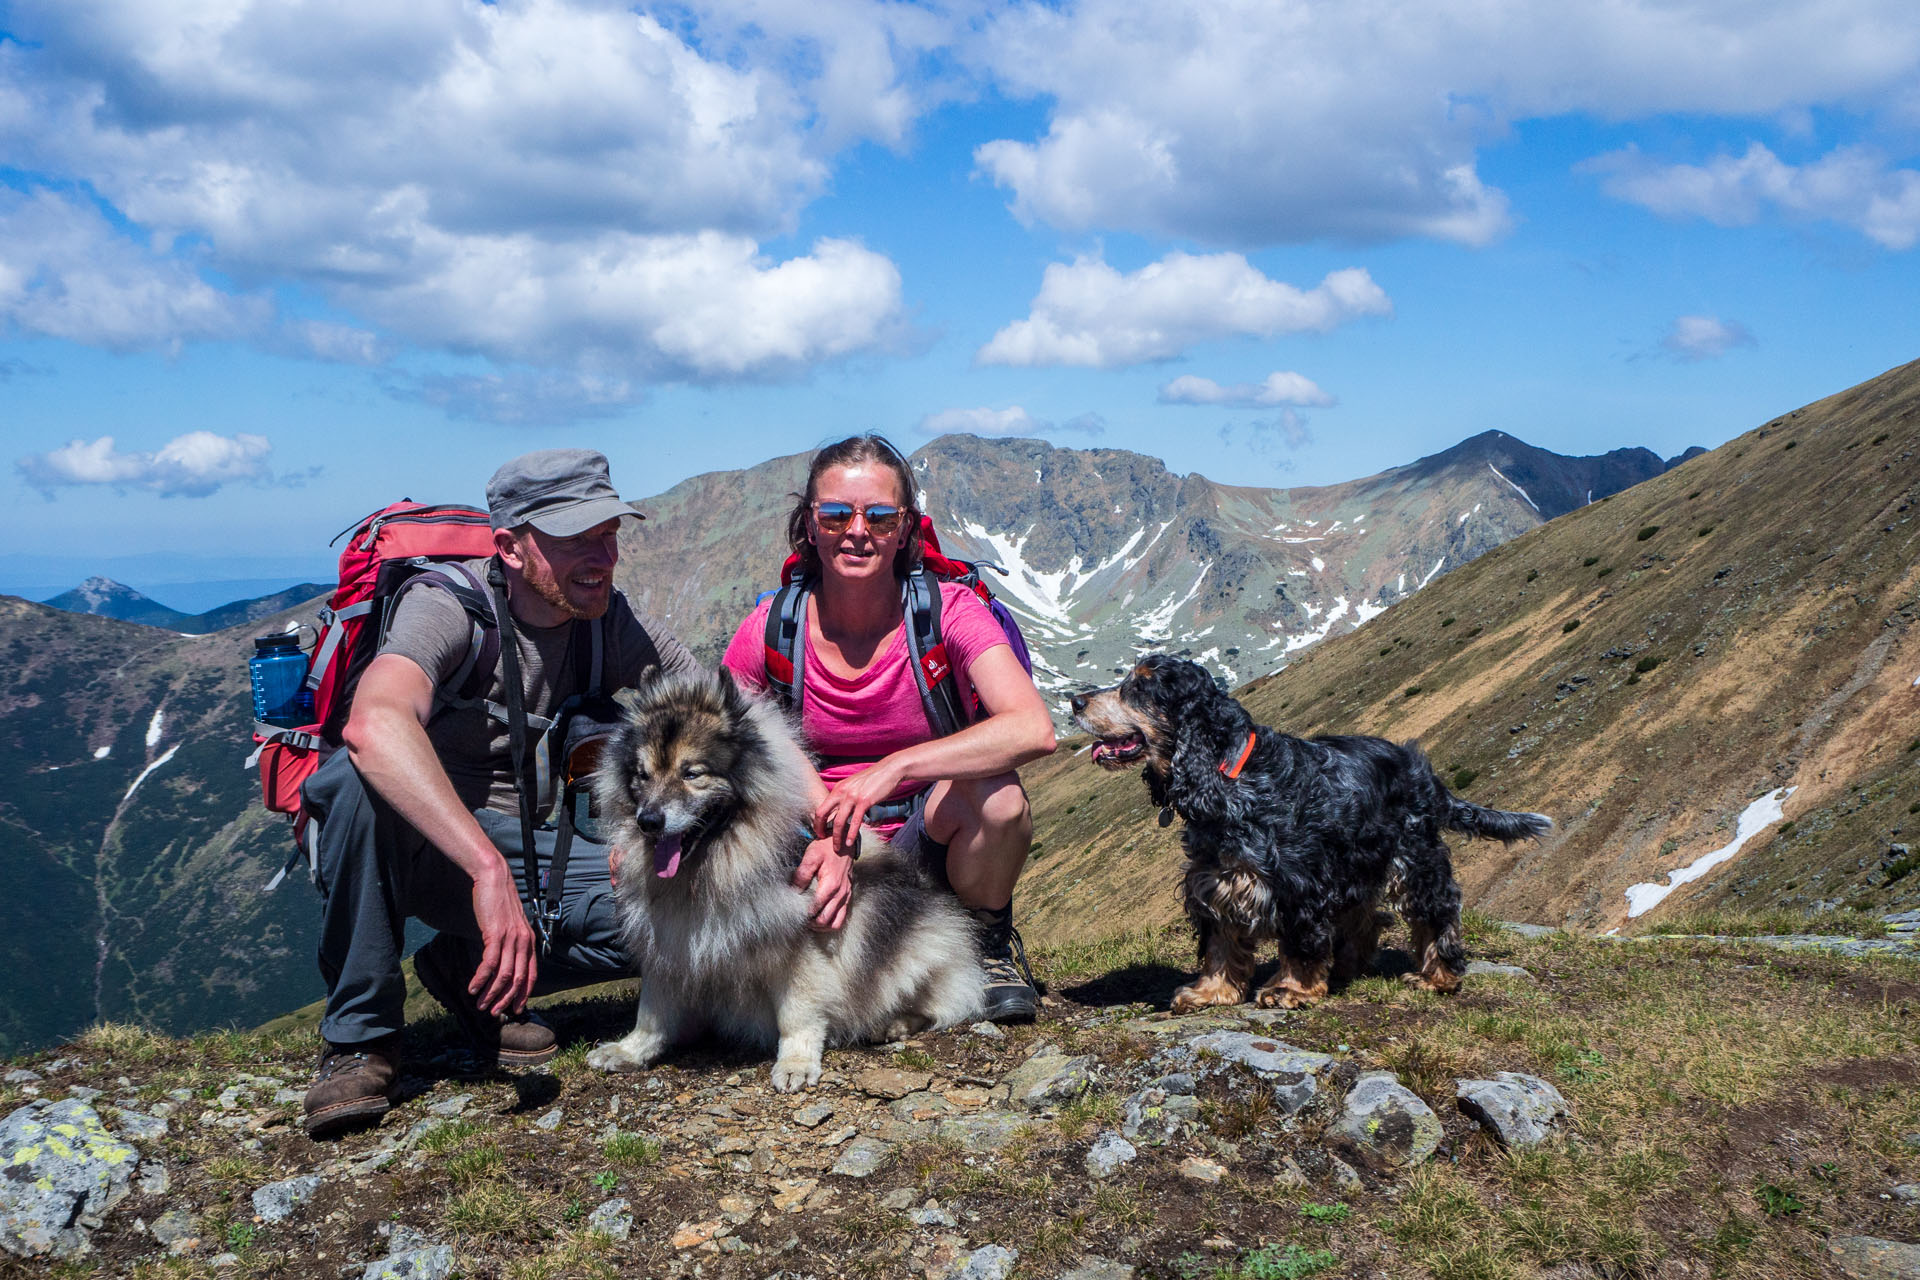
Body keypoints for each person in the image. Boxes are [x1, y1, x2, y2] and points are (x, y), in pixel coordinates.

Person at [300, 449, 699, 1138]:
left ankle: (468, 974)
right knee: (353, 782)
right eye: (574, 538)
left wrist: (648, 835)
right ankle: (361, 1040)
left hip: (538, 855)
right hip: (424, 845)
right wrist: (485, 869)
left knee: (683, 928)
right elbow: (372, 724)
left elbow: (724, 716)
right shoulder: (448, 609)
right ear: (511, 548)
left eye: (609, 533)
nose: (601, 555)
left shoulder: (611, 621)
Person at [720, 435, 1057, 1022]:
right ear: (808, 525)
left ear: (905, 529)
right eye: (834, 514)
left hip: (921, 836)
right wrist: (828, 825)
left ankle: (986, 943)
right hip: (807, 843)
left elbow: (1033, 728)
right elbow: (723, 734)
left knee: (999, 800)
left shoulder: (948, 612)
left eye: (879, 516)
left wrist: (895, 768)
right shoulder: (770, 629)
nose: (857, 531)